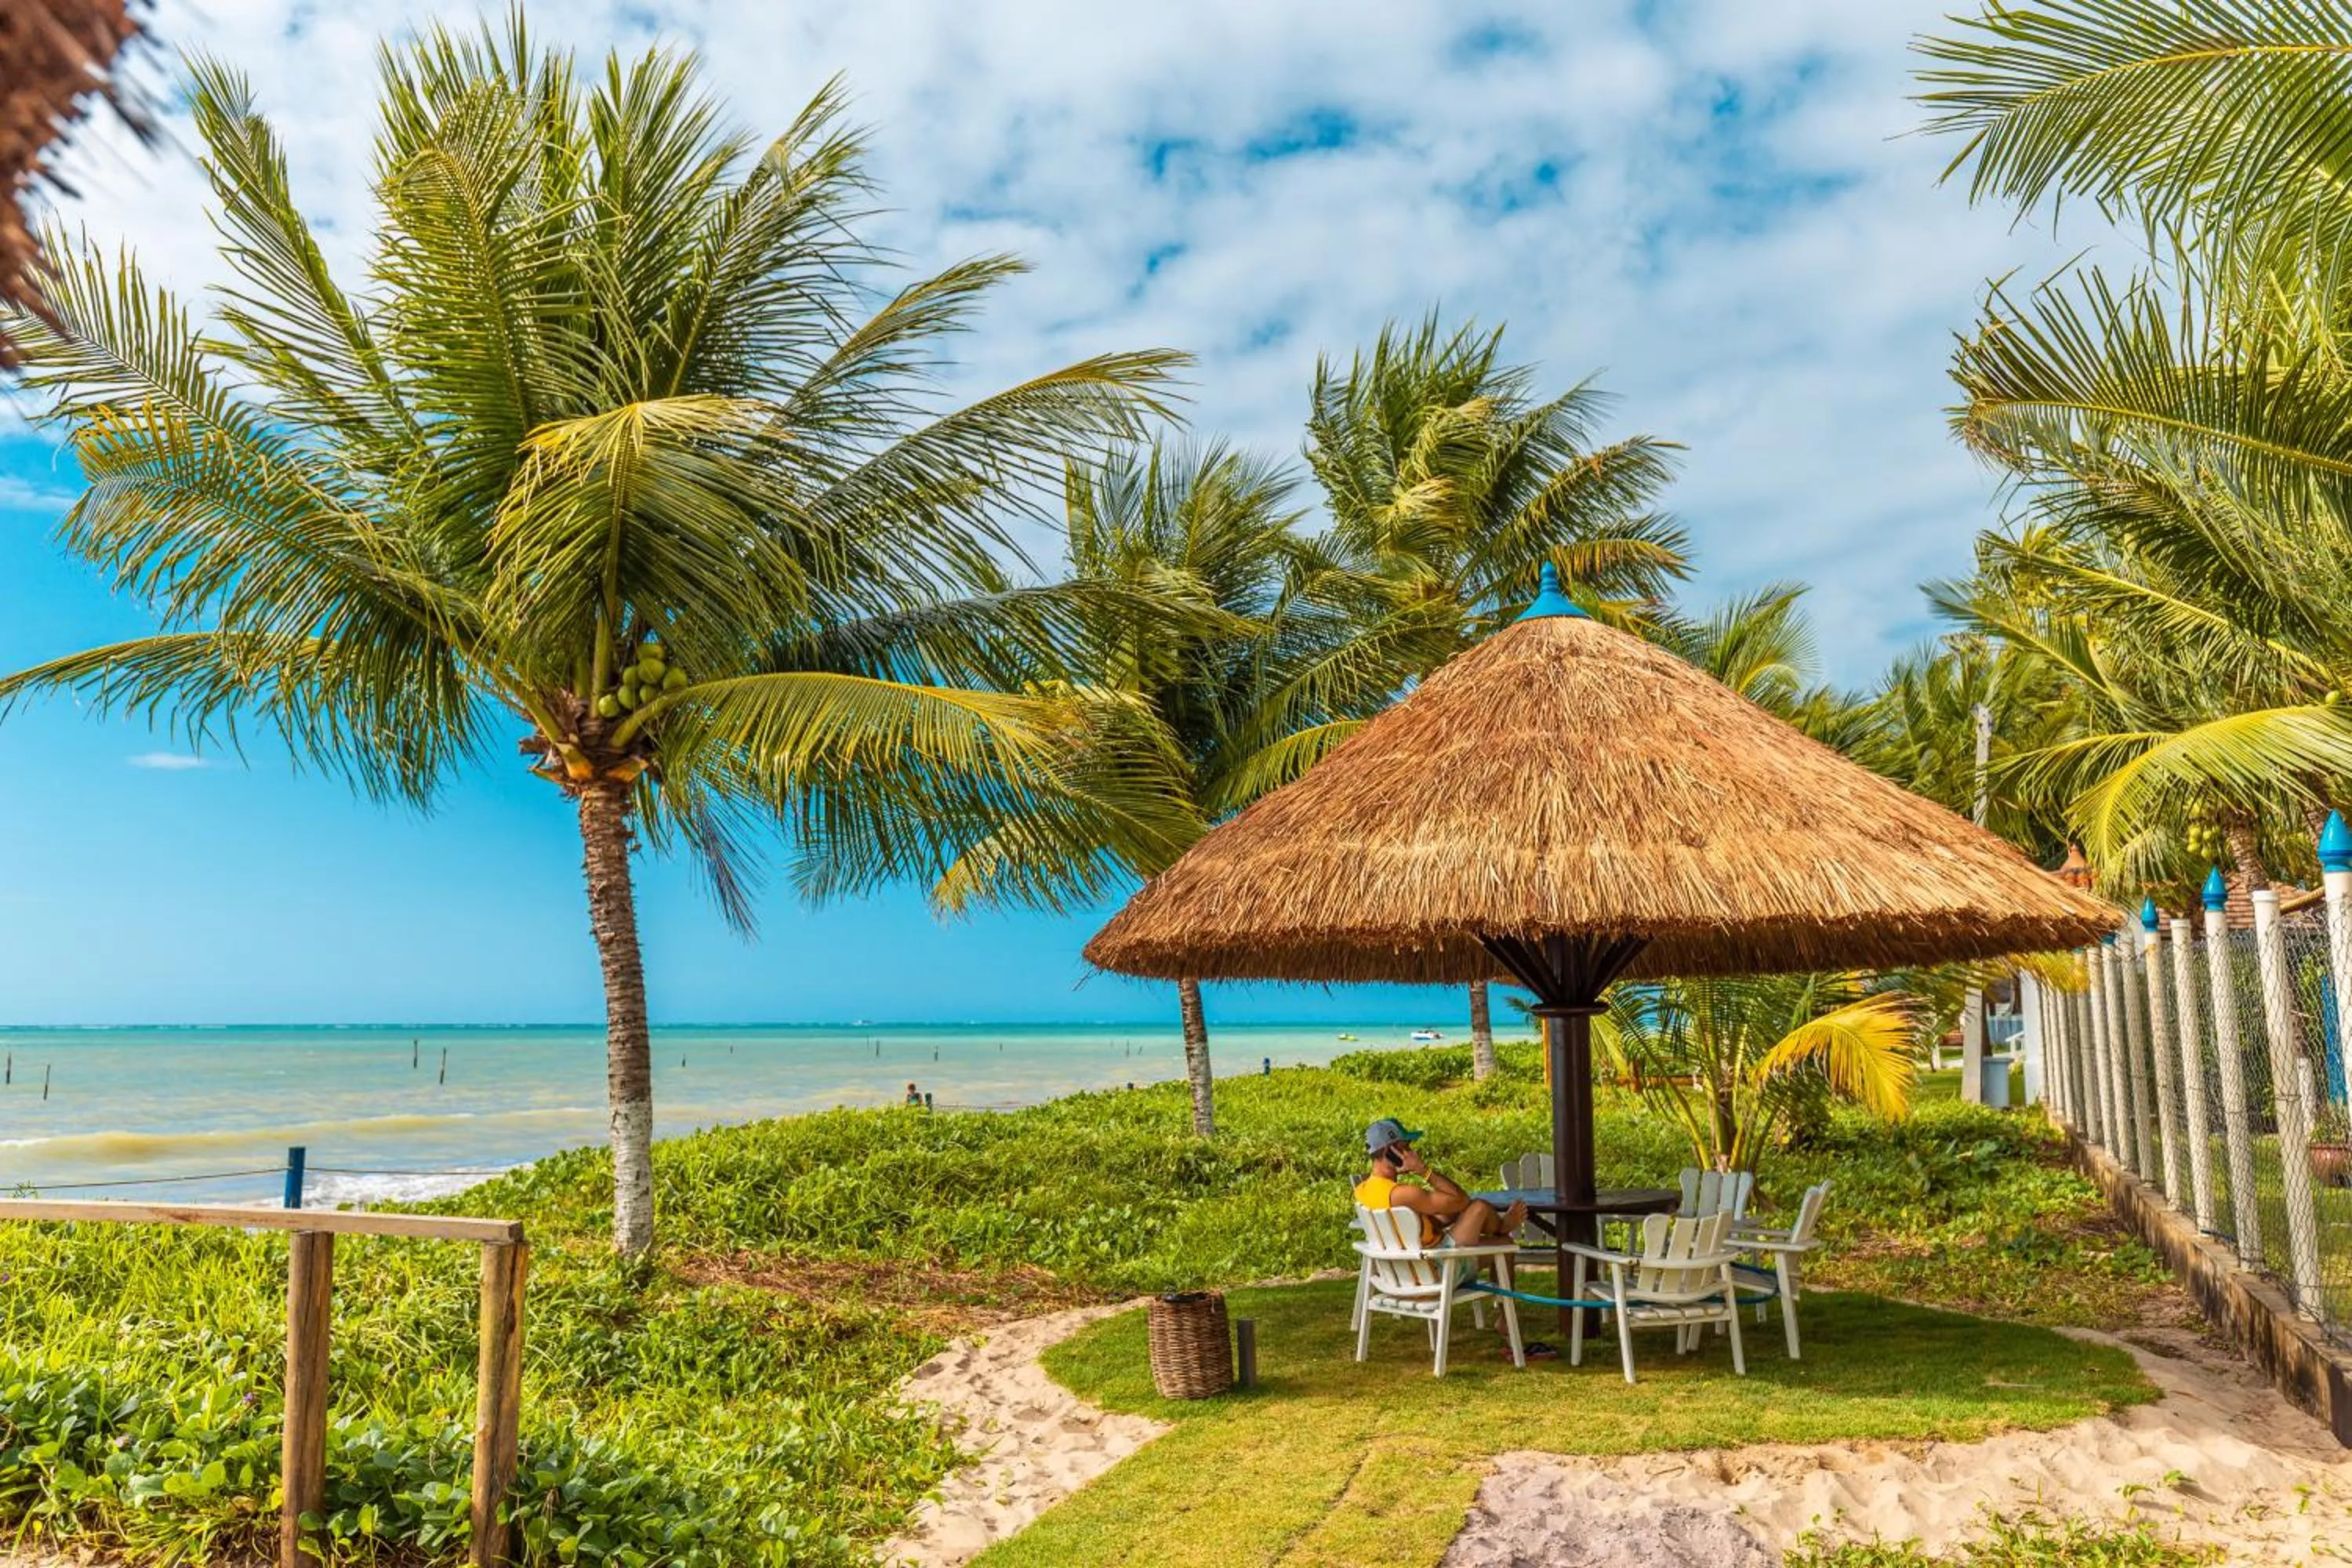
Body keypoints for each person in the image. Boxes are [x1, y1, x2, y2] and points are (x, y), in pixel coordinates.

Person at [1353, 1117, 1526, 1249]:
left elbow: (1411, 1228)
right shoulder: (1401, 1194)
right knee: (1483, 1213)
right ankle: (1503, 1228)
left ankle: (1502, 1227)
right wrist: (1423, 1170)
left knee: (1464, 1210)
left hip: (1407, 1270)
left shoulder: (1363, 1190)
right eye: (1406, 1146)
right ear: (1390, 1150)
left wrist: (1454, 1212)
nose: (1411, 1151)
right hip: (1436, 1269)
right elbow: (1461, 1199)